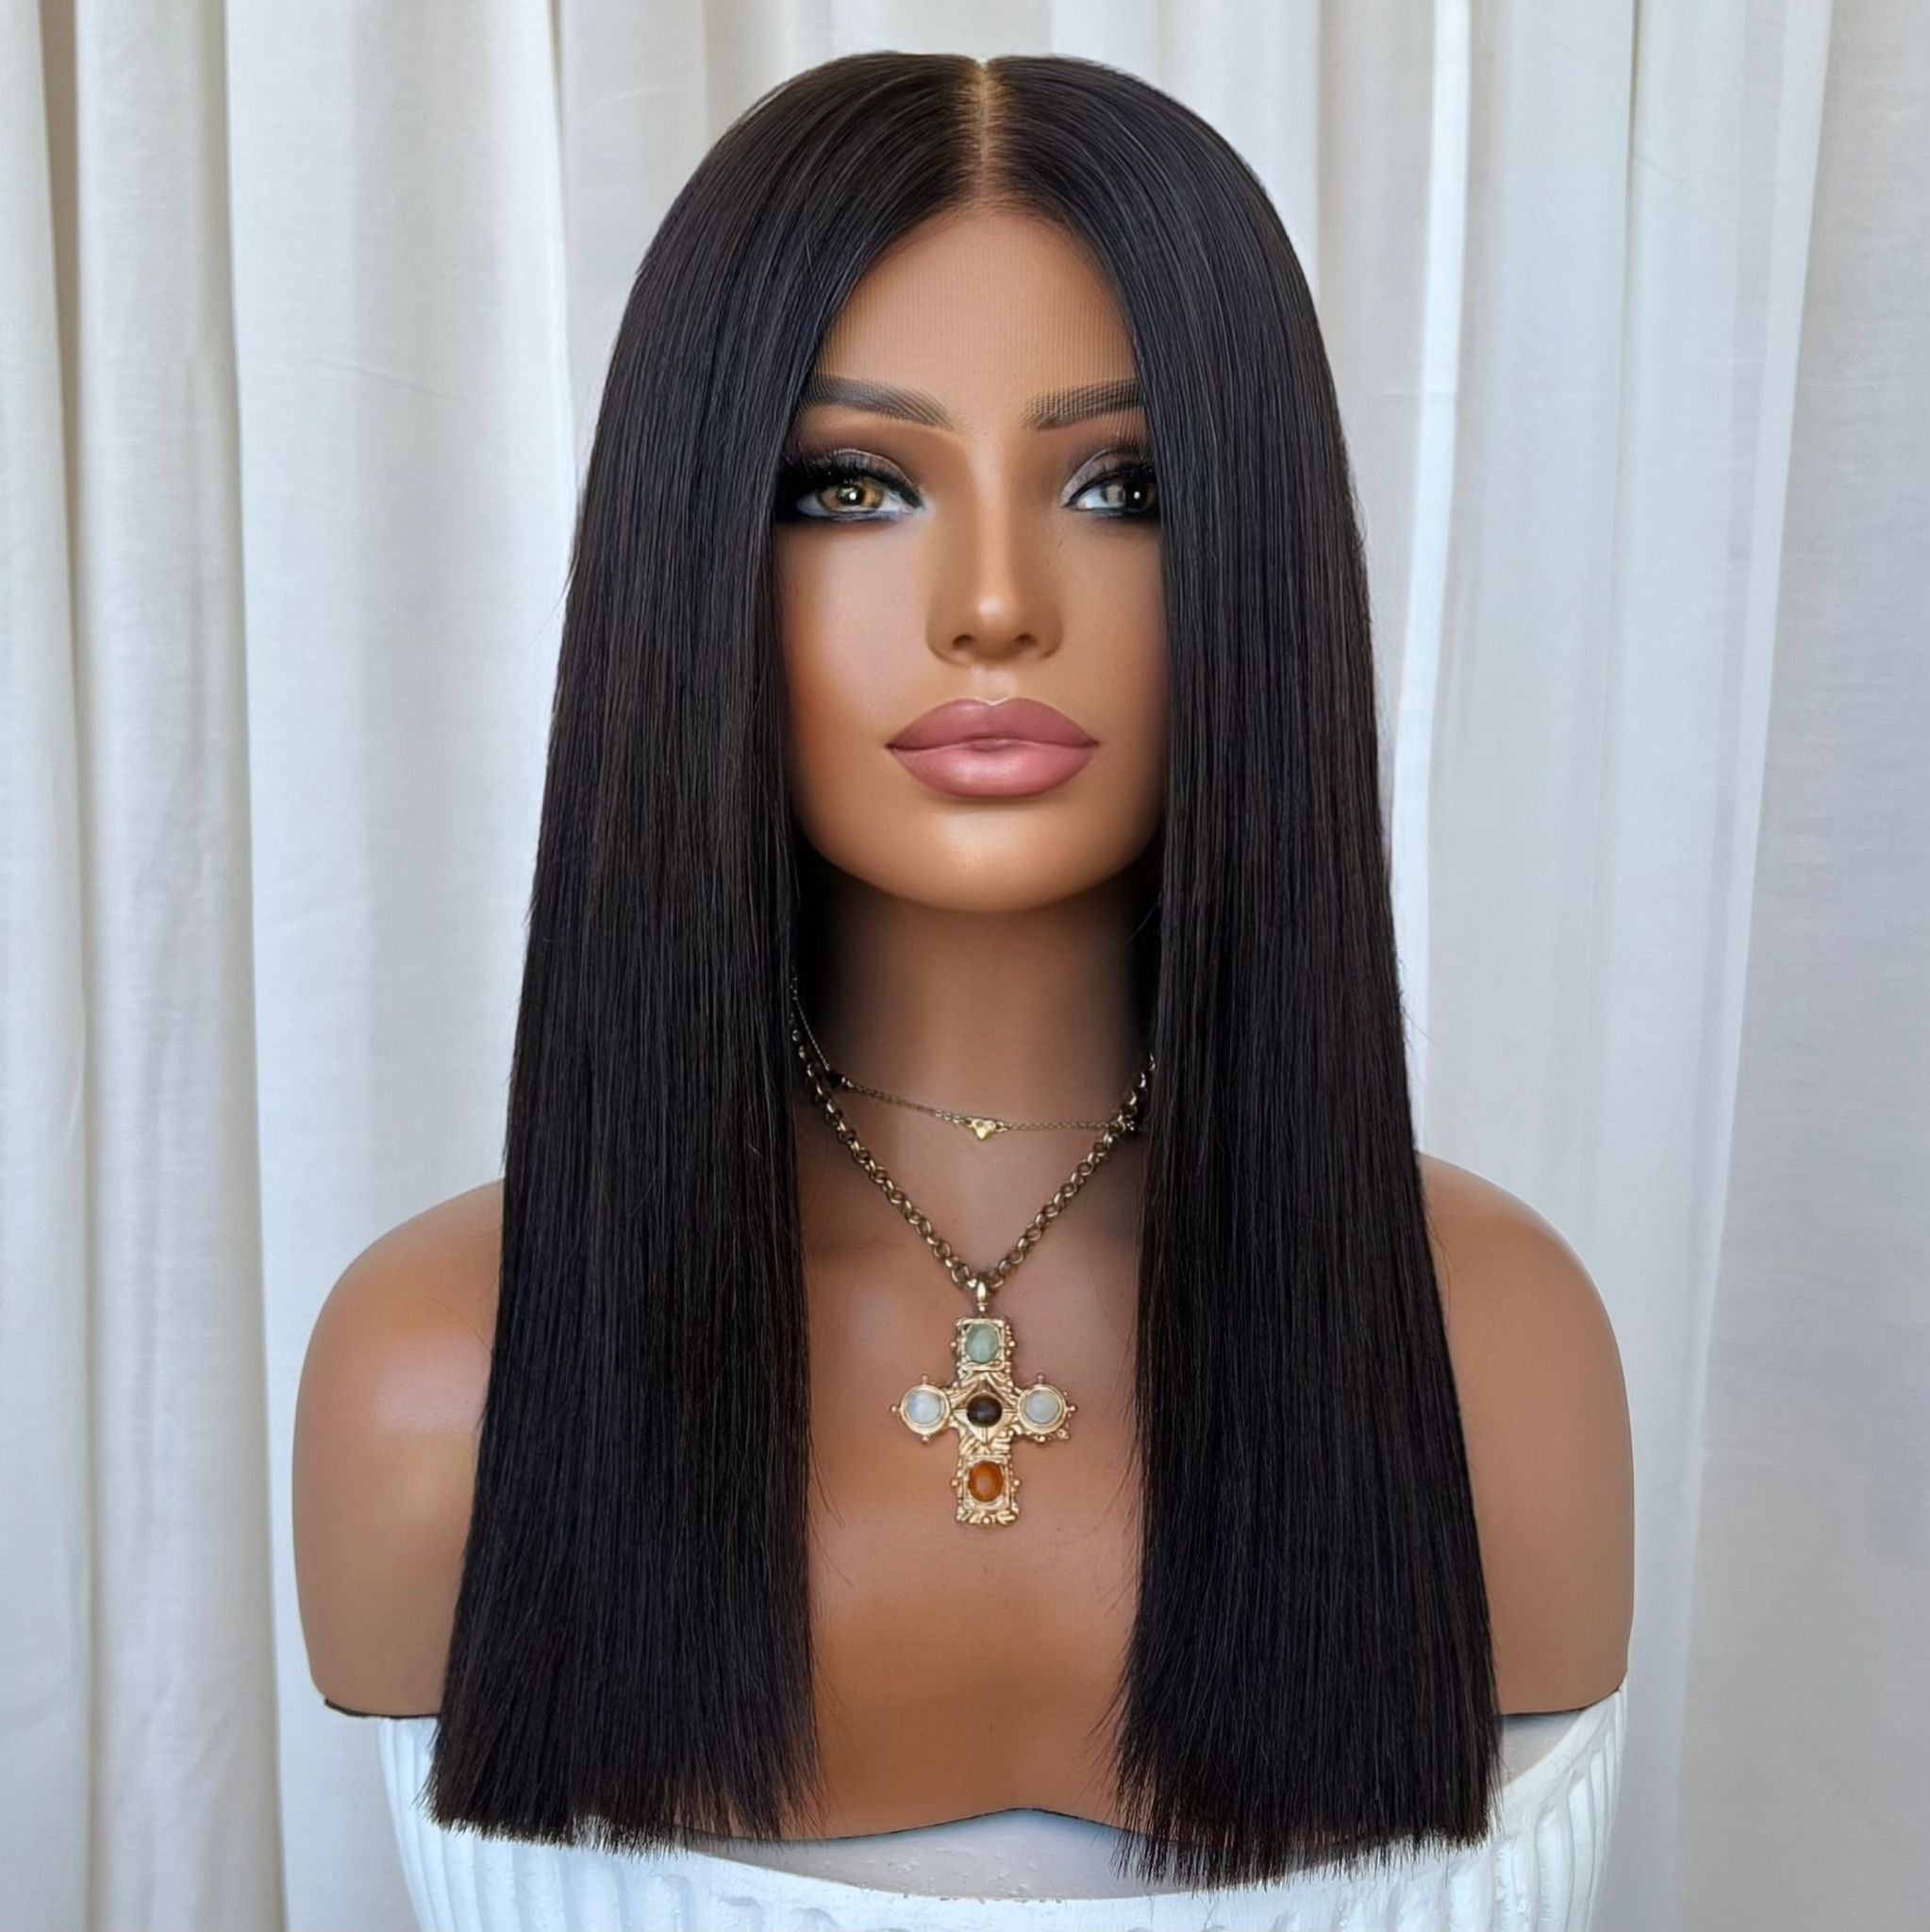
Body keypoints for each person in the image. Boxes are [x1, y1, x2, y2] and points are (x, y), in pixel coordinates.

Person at [292, 48, 1633, 1918]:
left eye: (1121, 484)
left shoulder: (1490, 1352)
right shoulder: (442, 1380)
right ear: (691, 552)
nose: (993, 604)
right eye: (854, 487)